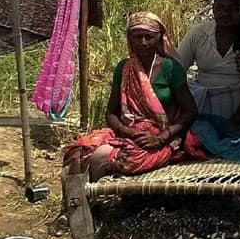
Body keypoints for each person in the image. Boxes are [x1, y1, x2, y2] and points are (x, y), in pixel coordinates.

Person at [61, 12, 197, 182]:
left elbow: (190, 110)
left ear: (159, 38)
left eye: (149, 37)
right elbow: (111, 112)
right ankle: (80, 205)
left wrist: (161, 137)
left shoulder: (170, 68)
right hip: (128, 131)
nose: (143, 43)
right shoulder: (124, 68)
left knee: (101, 157)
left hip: (161, 138)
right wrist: (129, 132)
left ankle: (98, 202)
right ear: (129, 39)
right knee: (78, 153)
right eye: (137, 37)